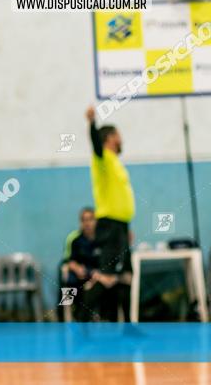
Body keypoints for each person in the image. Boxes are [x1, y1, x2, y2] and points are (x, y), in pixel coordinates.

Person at [84, 106, 135, 322]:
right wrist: (92, 123)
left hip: (121, 226)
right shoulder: (102, 158)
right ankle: (81, 317)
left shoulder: (115, 162)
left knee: (125, 277)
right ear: (110, 139)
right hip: (109, 227)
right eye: (118, 136)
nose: (121, 139)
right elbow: (95, 145)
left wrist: (126, 227)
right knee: (107, 276)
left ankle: (128, 328)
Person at [59, 207, 98, 321]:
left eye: (90, 219)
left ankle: (93, 316)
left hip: (96, 275)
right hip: (79, 275)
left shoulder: (101, 240)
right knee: (68, 281)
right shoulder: (75, 239)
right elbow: (68, 261)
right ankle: (67, 316)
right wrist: (77, 269)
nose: (87, 223)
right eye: (84, 220)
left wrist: (94, 274)